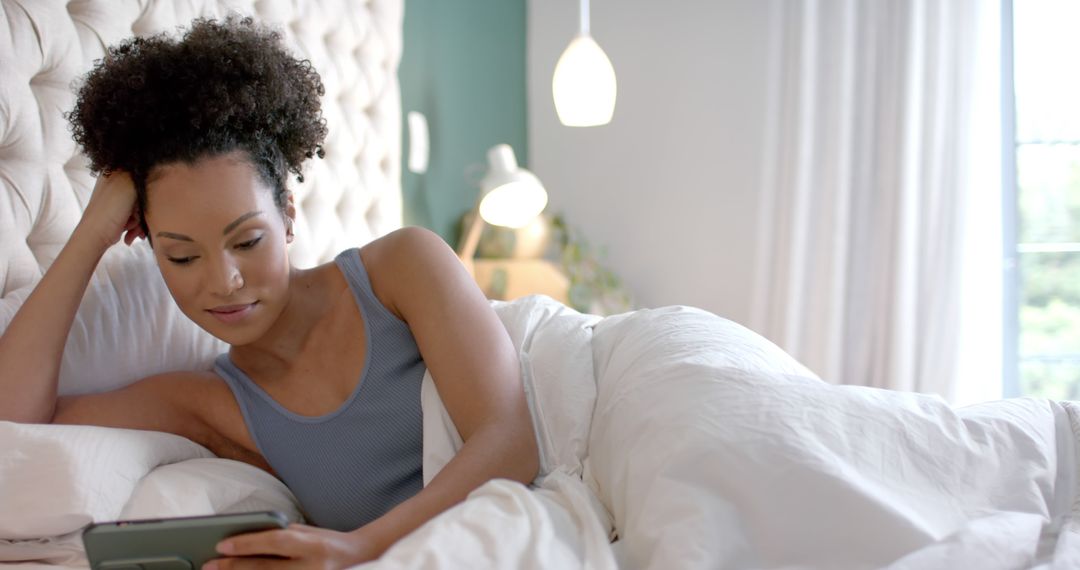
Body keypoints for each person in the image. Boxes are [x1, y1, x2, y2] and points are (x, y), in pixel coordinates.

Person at [0, 16, 539, 568]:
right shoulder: (209, 405)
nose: (224, 281)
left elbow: (512, 441)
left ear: (287, 214)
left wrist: (358, 548)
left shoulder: (402, 267)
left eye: (248, 240)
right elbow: (13, 421)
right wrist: (92, 234)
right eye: (181, 255)